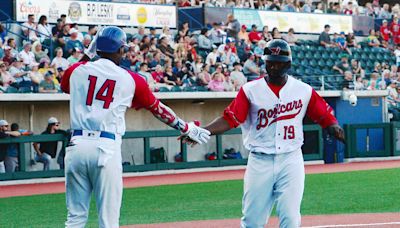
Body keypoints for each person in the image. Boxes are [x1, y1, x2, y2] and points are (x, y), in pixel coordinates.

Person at [183, 39, 345, 228]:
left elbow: (324, 116)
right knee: (252, 221)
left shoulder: (303, 90)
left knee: (291, 219)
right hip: (260, 160)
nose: (274, 66)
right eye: (270, 62)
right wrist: (203, 130)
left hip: (290, 159)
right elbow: (230, 118)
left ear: (288, 64)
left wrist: (334, 126)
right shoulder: (250, 90)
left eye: (278, 62)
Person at [60, 26, 210, 227]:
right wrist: (186, 128)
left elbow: (65, 82)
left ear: (97, 48)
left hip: (76, 146)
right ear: (120, 49)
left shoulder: (77, 70)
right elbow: (158, 109)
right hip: (105, 146)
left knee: (75, 218)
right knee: (108, 220)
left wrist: (88, 54)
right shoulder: (131, 79)